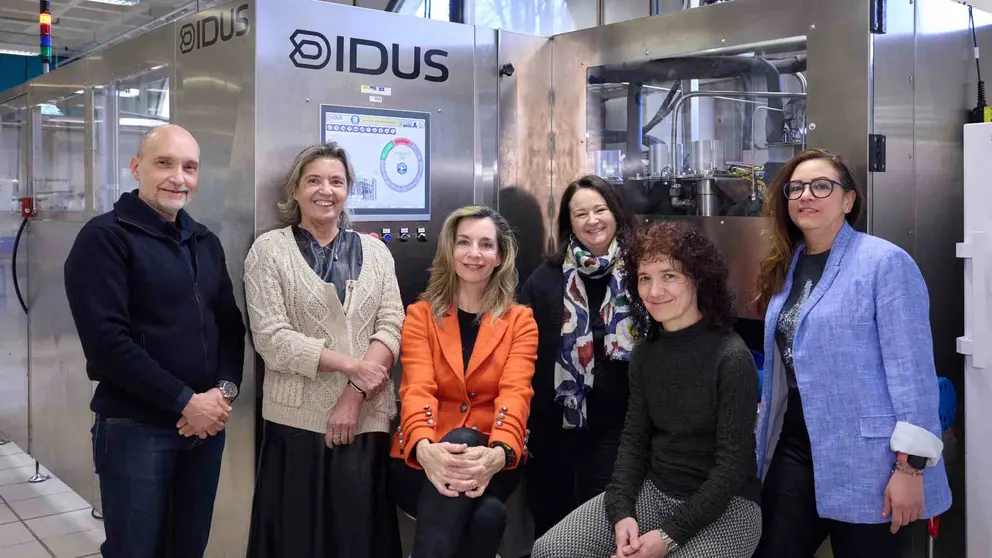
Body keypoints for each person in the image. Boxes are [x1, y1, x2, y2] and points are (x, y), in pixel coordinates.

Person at [752, 149, 952, 558]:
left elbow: (913, 373)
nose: (807, 195)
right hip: (796, 447)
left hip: (872, 462)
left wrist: (909, 468)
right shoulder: (787, 266)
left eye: (822, 186)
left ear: (848, 200)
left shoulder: (884, 262)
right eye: (796, 188)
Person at [64, 124, 245, 558]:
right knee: (136, 551)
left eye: (189, 167)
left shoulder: (204, 241)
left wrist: (222, 394)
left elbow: (231, 326)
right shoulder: (105, 238)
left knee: (187, 547)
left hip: (205, 428)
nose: (177, 178)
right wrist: (185, 401)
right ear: (136, 167)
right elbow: (108, 344)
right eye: (163, 163)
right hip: (136, 429)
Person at [533, 220, 762, 558]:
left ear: (698, 279)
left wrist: (669, 536)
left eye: (670, 276)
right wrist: (622, 511)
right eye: (645, 278)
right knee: (550, 550)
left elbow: (731, 468)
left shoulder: (731, 357)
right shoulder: (645, 351)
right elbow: (634, 439)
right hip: (654, 491)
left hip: (728, 507)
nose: (655, 292)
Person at [243, 143, 404, 558]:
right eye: (313, 180)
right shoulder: (269, 251)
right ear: (295, 189)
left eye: (336, 181)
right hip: (296, 420)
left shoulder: (376, 252)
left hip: (366, 417)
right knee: (299, 535)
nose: (325, 190)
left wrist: (353, 394)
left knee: (357, 534)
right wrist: (352, 365)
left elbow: (391, 324)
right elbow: (272, 338)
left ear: (349, 189)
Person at [389, 205, 538, 558]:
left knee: (467, 440)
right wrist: (425, 449)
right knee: (488, 515)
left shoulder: (520, 322)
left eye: (486, 245)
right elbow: (416, 388)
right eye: (464, 242)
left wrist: (499, 454)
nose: (474, 254)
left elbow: (515, 394)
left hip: (491, 459)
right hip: (420, 459)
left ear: (500, 256)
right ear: (450, 250)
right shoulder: (420, 317)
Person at [519, 174, 638, 537]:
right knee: (550, 526)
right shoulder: (546, 277)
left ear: (616, 213)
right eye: (580, 214)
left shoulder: (642, 272)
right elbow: (522, 350)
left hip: (617, 427)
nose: (592, 220)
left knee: (597, 526)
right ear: (568, 223)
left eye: (600, 209)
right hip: (553, 426)